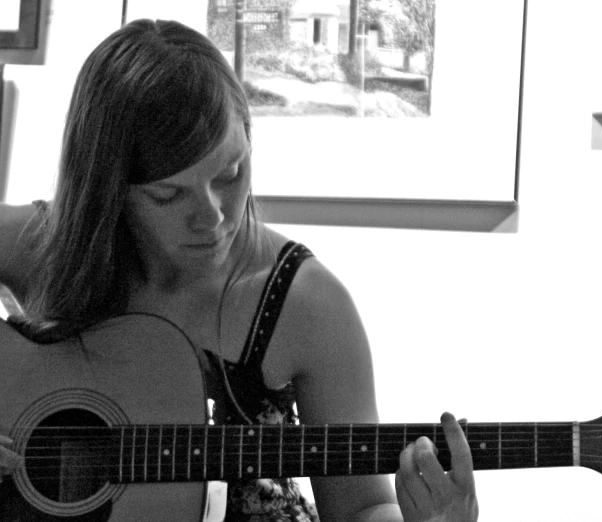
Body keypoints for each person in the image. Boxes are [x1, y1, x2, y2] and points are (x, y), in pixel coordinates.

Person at [0, 19, 478, 522]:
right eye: (168, 194)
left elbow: (363, 506)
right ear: (108, 191)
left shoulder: (307, 301)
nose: (213, 215)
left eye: (231, 174)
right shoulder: (47, 245)